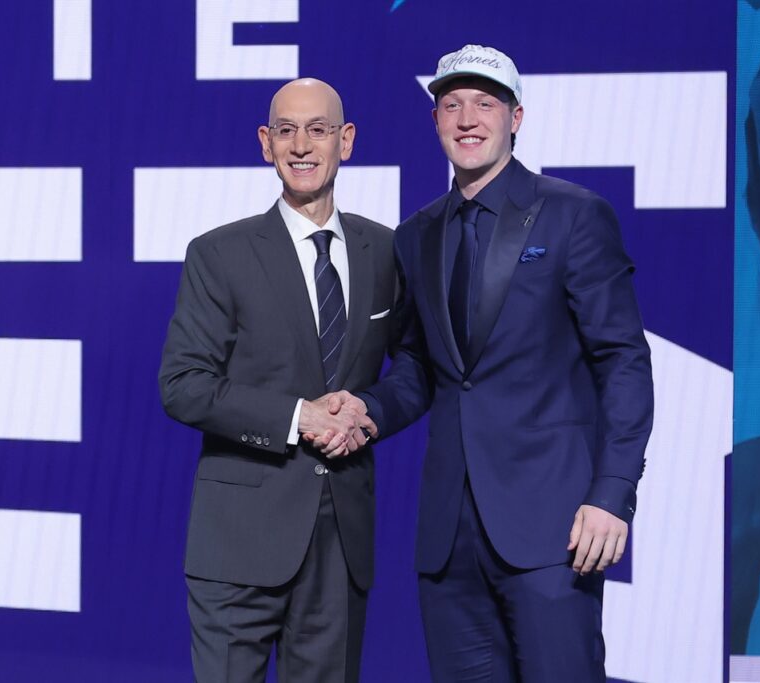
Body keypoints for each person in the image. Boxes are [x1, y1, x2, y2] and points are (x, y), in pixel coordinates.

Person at [312, 45, 654, 681]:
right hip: (449, 540)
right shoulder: (416, 235)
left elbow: (624, 361)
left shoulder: (575, 214)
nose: (467, 118)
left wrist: (612, 493)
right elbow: (420, 367)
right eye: (452, 105)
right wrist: (370, 408)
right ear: (437, 121)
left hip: (554, 527)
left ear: (516, 117)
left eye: (485, 103)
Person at [159, 78, 394, 683]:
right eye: (285, 130)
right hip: (238, 540)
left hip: (340, 542)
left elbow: (417, 370)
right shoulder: (219, 254)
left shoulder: (386, 251)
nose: (301, 144)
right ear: (266, 144)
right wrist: (299, 418)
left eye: (318, 129)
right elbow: (183, 383)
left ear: (347, 141)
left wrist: (369, 410)